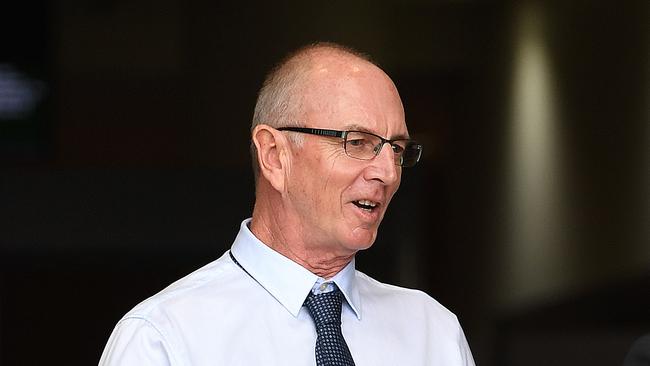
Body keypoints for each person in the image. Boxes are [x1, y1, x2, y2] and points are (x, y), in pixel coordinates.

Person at [99, 42, 476, 366]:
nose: (388, 173)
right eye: (357, 142)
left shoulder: (433, 335)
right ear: (275, 156)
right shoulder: (165, 339)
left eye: (396, 149)